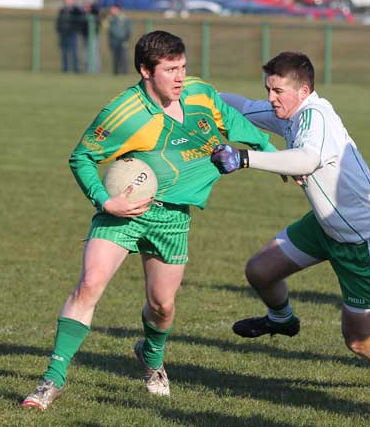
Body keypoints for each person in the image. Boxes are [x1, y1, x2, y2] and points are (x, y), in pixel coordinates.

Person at [21, 30, 276, 410]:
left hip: (173, 218)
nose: (179, 77)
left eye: (183, 67)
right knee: (89, 284)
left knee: (162, 306)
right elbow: (82, 156)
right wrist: (106, 202)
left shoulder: (200, 94)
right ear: (145, 71)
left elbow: (234, 123)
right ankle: (51, 381)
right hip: (125, 211)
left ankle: (152, 360)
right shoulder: (124, 112)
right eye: (170, 69)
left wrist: (271, 153)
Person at [211, 51, 370, 391]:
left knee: (359, 341)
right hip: (324, 226)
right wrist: (196, 93)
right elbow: (237, 106)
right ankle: (282, 321)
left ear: (303, 90)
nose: (270, 98)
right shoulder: (288, 112)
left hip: (362, 242)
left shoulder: (316, 116)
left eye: (278, 91)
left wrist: (244, 158)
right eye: (268, 89)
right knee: (260, 271)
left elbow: (307, 159)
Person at [56, 0, 83, 73]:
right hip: (64, 34)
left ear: (73, 0)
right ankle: (65, 69)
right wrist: (59, 30)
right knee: (64, 53)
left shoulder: (76, 10)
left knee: (74, 52)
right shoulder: (62, 10)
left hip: (72, 34)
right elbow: (58, 22)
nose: (68, 1)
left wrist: (75, 30)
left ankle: (76, 69)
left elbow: (80, 20)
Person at [107, 3, 132, 74]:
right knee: (115, 58)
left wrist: (125, 39)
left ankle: (125, 73)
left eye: (113, 9)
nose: (111, 10)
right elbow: (109, 31)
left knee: (123, 58)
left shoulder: (123, 18)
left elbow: (128, 30)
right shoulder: (111, 19)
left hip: (123, 41)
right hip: (114, 41)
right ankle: (116, 73)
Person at [81, 0, 101, 73]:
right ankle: (88, 70)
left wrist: (92, 6)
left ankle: (96, 70)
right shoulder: (83, 14)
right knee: (86, 54)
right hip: (85, 36)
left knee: (94, 54)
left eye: (88, 6)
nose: (86, 8)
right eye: (85, 6)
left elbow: (97, 10)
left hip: (93, 37)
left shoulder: (94, 12)